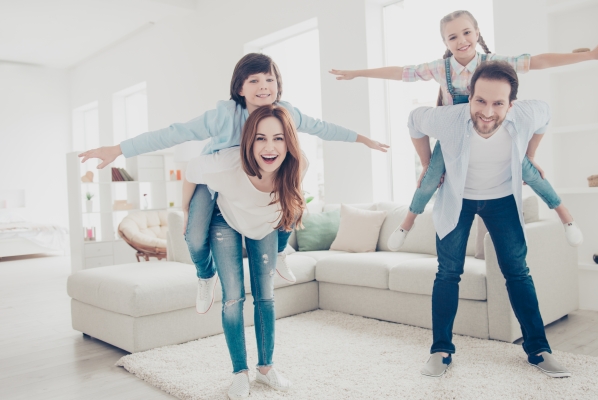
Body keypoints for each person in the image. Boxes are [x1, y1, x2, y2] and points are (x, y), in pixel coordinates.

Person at [78, 53, 389, 314]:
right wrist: (118, 149)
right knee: (194, 236)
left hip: (258, 181)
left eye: (269, 79)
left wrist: (362, 139)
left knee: (293, 204)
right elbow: (174, 132)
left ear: (278, 85)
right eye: (253, 80)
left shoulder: (286, 113)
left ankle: (281, 252)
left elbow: (321, 127)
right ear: (240, 87)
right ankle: (204, 275)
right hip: (215, 180)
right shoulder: (224, 115)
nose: (263, 86)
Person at [330, 10, 598, 251]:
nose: (461, 40)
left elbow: (538, 60)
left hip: (493, 132)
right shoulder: (439, 68)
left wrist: (590, 56)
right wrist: (359, 73)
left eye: (467, 32)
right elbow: (400, 72)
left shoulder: (494, 64)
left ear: (477, 33)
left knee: (529, 170)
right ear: (445, 41)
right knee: (430, 177)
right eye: (452, 36)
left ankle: (565, 217)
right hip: (456, 135)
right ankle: (406, 224)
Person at [408, 60, 571, 378]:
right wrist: (428, 164)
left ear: (511, 105)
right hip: (459, 198)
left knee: (518, 273)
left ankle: (538, 350)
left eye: (498, 103)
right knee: (448, 273)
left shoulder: (525, 114)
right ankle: (440, 351)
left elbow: (546, 115)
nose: (486, 111)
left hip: (502, 200)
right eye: (480, 100)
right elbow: (413, 120)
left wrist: (532, 155)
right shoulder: (448, 118)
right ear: (469, 96)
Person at [185, 104, 304, 398]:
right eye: (261, 138)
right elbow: (190, 171)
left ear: (289, 141)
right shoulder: (226, 162)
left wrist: (280, 245)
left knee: (265, 296)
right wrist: (185, 211)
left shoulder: (297, 166)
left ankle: (266, 369)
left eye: (278, 138)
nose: (269, 146)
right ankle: (240, 372)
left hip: (262, 226)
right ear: (248, 139)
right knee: (233, 297)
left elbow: (291, 208)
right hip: (224, 220)